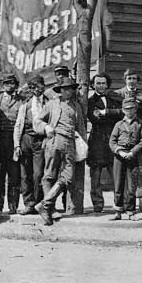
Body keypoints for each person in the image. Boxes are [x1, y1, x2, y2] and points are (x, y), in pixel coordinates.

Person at [34, 75, 86, 225]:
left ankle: (45, 203)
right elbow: (37, 120)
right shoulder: (52, 104)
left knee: (68, 177)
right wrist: (46, 127)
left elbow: (81, 128)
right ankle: (50, 209)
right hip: (54, 139)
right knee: (49, 175)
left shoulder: (76, 107)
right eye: (65, 89)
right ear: (60, 90)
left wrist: (83, 147)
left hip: (70, 143)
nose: (68, 91)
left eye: (71, 89)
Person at [86, 73, 120, 214]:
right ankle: (97, 204)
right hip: (97, 140)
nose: (100, 86)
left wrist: (106, 113)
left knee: (116, 174)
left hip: (113, 139)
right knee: (96, 175)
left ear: (107, 84)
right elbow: (94, 118)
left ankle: (119, 204)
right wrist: (109, 116)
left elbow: (122, 114)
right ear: (93, 85)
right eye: (97, 83)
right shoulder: (89, 101)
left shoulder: (114, 98)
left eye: (103, 83)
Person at [110, 98, 142, 219]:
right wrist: (120, 151)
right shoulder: (119, 124)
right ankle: (118, 210)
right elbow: (112, 141)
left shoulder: (140, 124)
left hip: (133, 156)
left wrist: (132, 152)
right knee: (118, 183)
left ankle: (130, 210)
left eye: (132, 108)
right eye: (127, 109)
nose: (129, 111)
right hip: (119, 156)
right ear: (122, 110)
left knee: (131, 185)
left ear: (136, 110)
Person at [14, 73, 48, 213]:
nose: (36, 90)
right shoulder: (26, 104)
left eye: (39, 87)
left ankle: (39, 203)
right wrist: (17, 144)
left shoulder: (49, 103)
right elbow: (18, 125)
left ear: (43, 87)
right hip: (26, 139)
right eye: (33, 87)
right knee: (25, 174)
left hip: (41, 141)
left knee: (38, 174)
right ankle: (29, 203)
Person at [0, 74, 22, 215]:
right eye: (7, 83)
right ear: (3, 86)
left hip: (14, 141)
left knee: (14, 175)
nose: (10, 86)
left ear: (16, 85)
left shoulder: (21, 101)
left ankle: (13, 205)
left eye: (12, 83)